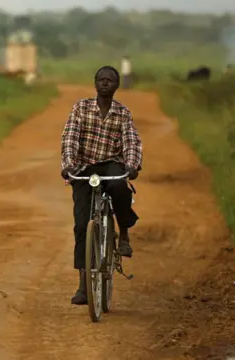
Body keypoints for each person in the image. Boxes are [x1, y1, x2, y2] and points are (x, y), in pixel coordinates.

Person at [60, 66, 143, 305]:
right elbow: (69, 139)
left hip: (111, 164)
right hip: (85, 166)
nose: (105, 83)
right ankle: (83, 286)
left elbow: (131, 141)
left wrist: (132, 165)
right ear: (95, 83)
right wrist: (68, 165)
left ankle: (124, 233)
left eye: (110, 80)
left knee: (119, 188)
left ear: (116, 86)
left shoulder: (122, 113)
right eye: (101, 79)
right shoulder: (81, 108)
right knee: (80, 225)